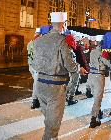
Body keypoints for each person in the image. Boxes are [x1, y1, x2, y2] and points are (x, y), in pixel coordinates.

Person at [32, 12, 84, 140]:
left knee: (49, 118)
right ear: (64, 24)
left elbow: (33, 63)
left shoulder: (38, 41)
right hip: (56, 86)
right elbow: (70, 65)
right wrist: (79, 68)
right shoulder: (62, 41)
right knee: (54, 122)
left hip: (40, 84)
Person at [88, 35, 111, 128]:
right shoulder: (103, 52)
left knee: (95, 96)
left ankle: (98, 111)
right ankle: (93, 119)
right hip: (98, 76)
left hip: (91, 76)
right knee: (98, 98)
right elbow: (108, 64)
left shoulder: (92, 51)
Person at [66, 32, 89, 105]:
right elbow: (74, 61)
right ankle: (70, 98)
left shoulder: (71, 49)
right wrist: (80, 67)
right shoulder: (71, 50)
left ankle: (68, 95)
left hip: (74, 68)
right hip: (75, 69)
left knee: (72, 82)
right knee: (74, 83)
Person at [27, 27, 41, 109]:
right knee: (37, 84)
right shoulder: (38, 44)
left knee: (38, 84)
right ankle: (35, 101)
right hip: (37, 67)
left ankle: (37, 100)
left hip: (31, 66)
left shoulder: (30, 43)